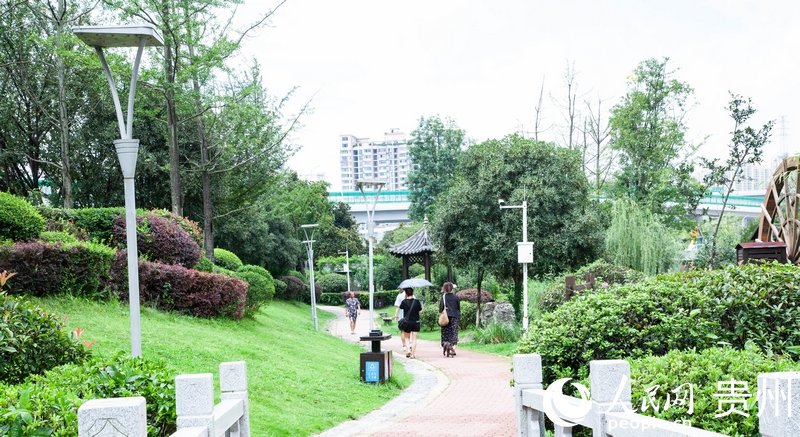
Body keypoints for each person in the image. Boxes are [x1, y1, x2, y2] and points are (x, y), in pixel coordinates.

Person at [398, 287, 423, 359]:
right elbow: (420, 312)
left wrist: (405, 297)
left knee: (407, 338)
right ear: (413, 292)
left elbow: (401, 307)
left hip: (407, 322)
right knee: (414, 339)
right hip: (416, 322)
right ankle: (412, 355)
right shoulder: (417, 302)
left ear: (406, 293)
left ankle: (408, 350)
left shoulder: (404, 302)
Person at [439, 282, 461, 356]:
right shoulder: (456, 297)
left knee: (445, 333)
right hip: (455, 317)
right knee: (454, 333)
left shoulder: (443, 297)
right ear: (452, 288)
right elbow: (458, 308)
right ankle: (453, 348)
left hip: (446, 317)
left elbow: (440, 309)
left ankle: (446, 345)